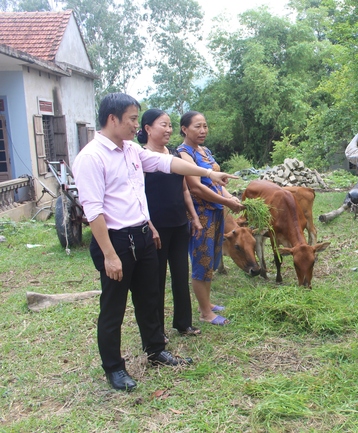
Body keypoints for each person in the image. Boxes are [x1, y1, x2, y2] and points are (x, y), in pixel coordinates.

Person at [73, 93, 238, 391]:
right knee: (113, 307)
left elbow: (169, 165)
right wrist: (110, 255)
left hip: (143, 236)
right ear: (113, 119)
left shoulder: (132, 151)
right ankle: (114, 368)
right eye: (133, 119)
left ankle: (156, 350)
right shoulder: (91, 157)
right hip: (116, 241)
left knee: (150, 299)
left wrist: (209, 172)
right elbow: (94, 211)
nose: (137, 125)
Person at [137, 109, 202, 340]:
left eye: (170, 125)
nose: (169, 129)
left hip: (178, 224)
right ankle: (157, 331)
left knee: (180, 274)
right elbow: (138, 196)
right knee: (155, 280)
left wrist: (193, 217)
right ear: (147, 129)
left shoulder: (173, 155)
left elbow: (184, 189)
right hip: (156, 229)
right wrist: (149, 225)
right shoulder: (141, 158)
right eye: (163, 125)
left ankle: (183, 323)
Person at [177, 111, 244, 326]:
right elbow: (196, 187)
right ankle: (206, 313)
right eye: (197, 126)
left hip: (216, 211)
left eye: (205, 126)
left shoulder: (205, 151)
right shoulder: (183, 154)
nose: (203, 130)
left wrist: (229, 196)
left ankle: (205, 303)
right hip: (200, 215)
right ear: (184, 129)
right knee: (201, 261)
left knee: (212, 259)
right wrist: (226, 202)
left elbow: (217, 183)